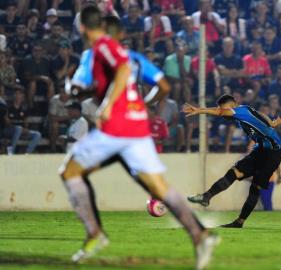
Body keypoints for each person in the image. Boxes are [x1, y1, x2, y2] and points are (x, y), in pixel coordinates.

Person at [59, 6, 219, 269]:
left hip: (116, 128)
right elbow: (164, 86)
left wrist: (98, 101)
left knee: (70, 172)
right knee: (159, 188)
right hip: (138, 128)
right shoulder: (132, 56)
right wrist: (142, 103)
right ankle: (200, 235)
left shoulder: (94, 52)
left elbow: (94, 82)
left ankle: (95, 234)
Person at [184, 94, 281, 228]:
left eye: (224, 108)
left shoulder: (239, 111)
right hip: (259, 150)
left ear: (231, 105)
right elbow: (260, 114)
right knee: (234, 173)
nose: (223, 112)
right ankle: (206, 197)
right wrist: (271, 123)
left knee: (255, 188)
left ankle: (239, 222)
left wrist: (199, 110)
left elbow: (219, 111)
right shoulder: (244, 111)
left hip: (272, 153)